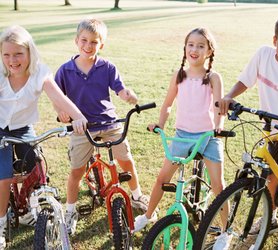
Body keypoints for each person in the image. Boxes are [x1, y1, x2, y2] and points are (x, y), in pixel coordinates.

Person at [134, 27, 231, 249]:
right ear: (185, 48)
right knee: (162, 179)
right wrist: (160, 124)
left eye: (200, 46)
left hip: (208, 135)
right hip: (183, 136)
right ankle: (148, 214)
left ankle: (226, 231)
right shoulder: (179, 76)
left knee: (219, 185)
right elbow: (168, 104)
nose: (194, 49)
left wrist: (218, 128)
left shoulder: (213, 78)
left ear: (209, 51)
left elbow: (218, 108)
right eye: (190, 45)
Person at [54, 18, 150, 235]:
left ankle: (136, 195)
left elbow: (121, 90)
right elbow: (57, 97)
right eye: (84, 41)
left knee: (126, 160)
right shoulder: (65, 70)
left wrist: (129, 96)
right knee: (76, 171)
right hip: (82, 128)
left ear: (101, 45)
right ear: (76, 41)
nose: (88, 46)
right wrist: (61, 112)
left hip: (108, 123)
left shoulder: (107, 67)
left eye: (94, 42)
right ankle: (70, 210)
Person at [0, 25, 87, 249]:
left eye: (18, 53)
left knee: (37, 169)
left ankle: (31, 209)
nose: (12, 60)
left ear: (30, 52)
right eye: (6, 54)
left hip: (22, 127)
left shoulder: (40, 72)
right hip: (0, 129)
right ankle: (0, 223)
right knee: (4, 175)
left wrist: (77, 116)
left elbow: (57, 95)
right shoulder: (1, 73)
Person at [218, 13, 278, 236]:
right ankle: (270, 218)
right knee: (270, 174)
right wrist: (229, 96)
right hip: (271, 126)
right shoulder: (263, 55)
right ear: (274, 41)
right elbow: (246, 80)